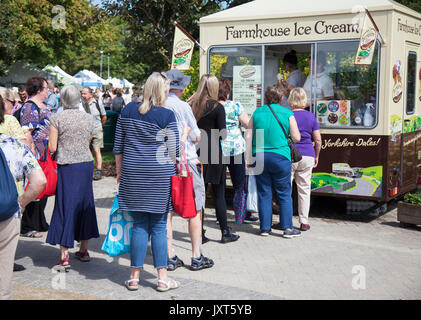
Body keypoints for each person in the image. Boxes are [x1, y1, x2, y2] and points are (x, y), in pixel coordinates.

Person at [114, 72, 182, 292]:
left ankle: (134, 277)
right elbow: (174, 151)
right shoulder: (166, 115)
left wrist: (119, 172)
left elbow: (118, 146)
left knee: (139, 225)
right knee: (159, 226)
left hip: (133, 174)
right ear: (162, 90)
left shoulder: (128, 110)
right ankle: (162, 278)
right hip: (159, 175)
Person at [164, 69, 214, 271]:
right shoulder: (182, 106)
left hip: (162, 163)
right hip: (186, 162)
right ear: (181, 87)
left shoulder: (156, 103)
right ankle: (196, 256)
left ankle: (169, 256)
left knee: (166, 212)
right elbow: (196, 136)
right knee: (194, 209)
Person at [46, 85, 99, 270]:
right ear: (79, 100)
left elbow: (52, 147)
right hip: (84, 163)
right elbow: (89, 140)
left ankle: (64, 255)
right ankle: (84, 249)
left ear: (62, 100)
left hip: (66, 165)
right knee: (85, 204)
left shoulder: (56, 118)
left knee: (65, 205)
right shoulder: (89, 118)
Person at [246, 85, 301, 238]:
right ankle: (288, 228)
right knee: (284, 193)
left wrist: (248, 158)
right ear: (282, 98)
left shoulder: (257, 113)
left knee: (264, 193)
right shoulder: (287, 113)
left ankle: (264, 228)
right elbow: (297, 137)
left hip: (260, 156)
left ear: (265, 98)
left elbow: (249, 136)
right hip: (280, 157)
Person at [193, 74, 240, 244]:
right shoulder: (217, 108)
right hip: (214, 153)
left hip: (197, 153)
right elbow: (223, 134)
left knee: (200, 194)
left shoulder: (194, 106)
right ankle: (225, 232)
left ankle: (199, 232)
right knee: (219, 193)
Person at [0, 132, 46, 300]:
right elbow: (39, 181)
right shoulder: (14, 144)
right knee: (3, 279)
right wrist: (21, 203)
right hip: (7, 214)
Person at [217, 78, 257, 224]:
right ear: (227, 92)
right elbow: (248, 123)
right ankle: (240, 216)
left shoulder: (212, 106)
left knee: (219, 185)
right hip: (236, 149)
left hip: (218, 149)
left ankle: (220, 216)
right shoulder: (235, 106)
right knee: (239, 184)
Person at [19, 77, 52, 238]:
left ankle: (39, 222)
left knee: (43, 189)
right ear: (38, 89)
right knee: (33, 187)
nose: (48, 91)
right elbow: (27, 133)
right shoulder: (29, 107)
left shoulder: (43, 106)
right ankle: (27, 225)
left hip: (46, 153)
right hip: (36, 153)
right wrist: (30, 154)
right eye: (46, 88)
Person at [288, 88, 321, 231]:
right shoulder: (311, 116)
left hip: (290, 155)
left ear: (290, 100)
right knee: (304, 189)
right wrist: (317, 155)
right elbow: (318, 140)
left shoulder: (287, 115)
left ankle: (286, 220)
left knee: (285, 189)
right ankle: (304, 221)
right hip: (307, 154)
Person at [81, 87, 107, 181]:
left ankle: (98, 171)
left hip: (96, 129)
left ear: (91, 95)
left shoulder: (97, 103)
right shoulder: (81, 105)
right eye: (82, 93)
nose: (83, 95)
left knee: (97, 150)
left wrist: (100, 127)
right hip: (85, 131)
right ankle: (87, 171)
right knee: (87, 151)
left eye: (85, 94)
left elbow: (104, 117)